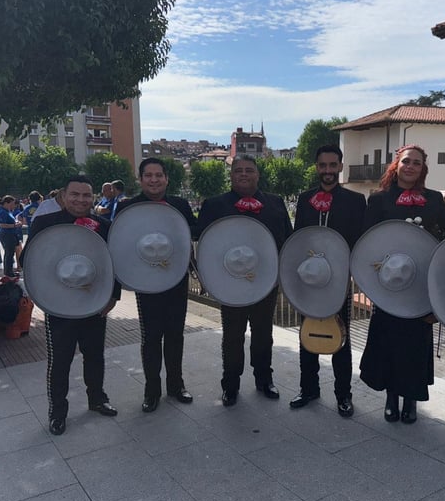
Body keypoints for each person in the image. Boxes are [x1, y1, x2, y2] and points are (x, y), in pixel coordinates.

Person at [359, 145, 445, 424]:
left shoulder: (435, 199)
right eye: (406, 161)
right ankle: (391, 397)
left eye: (417, 163)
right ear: (396, 165)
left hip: (421, 284)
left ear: (423, 168)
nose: (411, 166)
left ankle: (411, 398)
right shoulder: (379, 200)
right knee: (388, 340)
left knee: (415, 343)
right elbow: (367, 243)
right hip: (388, 284)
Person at [22, 175, 121, 436]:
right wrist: (42, 295)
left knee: (95, 355)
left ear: (93, 198)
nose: (81, 200)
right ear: (63, 196)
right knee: (60, 360)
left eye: (86, 195)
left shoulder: (103, 225)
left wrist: (113, 297)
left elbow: (114, 265)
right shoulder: (45, 223)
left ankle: (97, 398)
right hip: (59, 303)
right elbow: (30, 262)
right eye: (75, 194)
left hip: (94, 301)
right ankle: (57, 411)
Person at [197, 155, 293, 407]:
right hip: (228, 282)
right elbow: (203, 246)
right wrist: (209, 279)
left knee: (264, 334)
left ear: (258, 174)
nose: (243, 174)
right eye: (238, 170)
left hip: (266, 282)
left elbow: (287, 241)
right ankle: (230, 385)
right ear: (231, 175)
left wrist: (281, 276)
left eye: (249, 170)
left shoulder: (275, 203)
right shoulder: (214, 205)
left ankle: (264, 379)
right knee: (232, 335)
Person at [289, 145, 366, 417]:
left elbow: (359, 242)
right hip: (309, 281)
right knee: (306, 336)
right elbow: (298, 238)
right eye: (323, 165)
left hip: (338, 282)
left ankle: (343, 395)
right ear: (316, 167)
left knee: (341, 339)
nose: (328, 171)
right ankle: (308, 389)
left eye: (333, 165)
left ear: (341, 167)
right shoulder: (305, 198)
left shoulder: (356, 201)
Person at [114, 159, 196, 412]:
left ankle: (176, 384)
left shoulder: (180, 205)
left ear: (166, 178)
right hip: (144, 279)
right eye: (148, 175)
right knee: (150, 337)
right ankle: (152, 390)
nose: (154, 180)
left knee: (175, 335)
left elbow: (193, 236)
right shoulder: (129, 207)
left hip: (176, 278)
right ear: (140, 179)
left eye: (158, 175)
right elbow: (120, 243)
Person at [0, 196, 20, 277]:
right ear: (6, 203)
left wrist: (16, 222)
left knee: (11, 253)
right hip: (6, 234)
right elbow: (2, 224)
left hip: (11, 233)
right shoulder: (1, 212)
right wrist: (14, 225)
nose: (13, 206)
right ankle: (8, 272)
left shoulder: (8, 211)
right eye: (12, 204)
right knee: (9, 253)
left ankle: (10, 270)